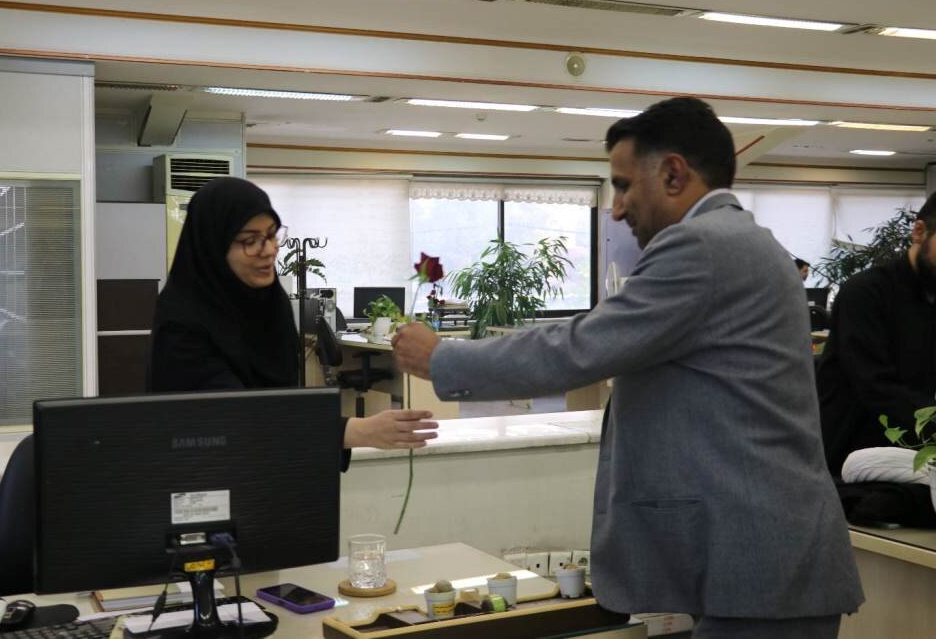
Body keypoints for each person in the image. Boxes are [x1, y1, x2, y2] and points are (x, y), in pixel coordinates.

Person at [393, 98, 862, 638]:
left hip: (758, 563)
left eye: (622, 186)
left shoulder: (703, 245)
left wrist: (443, 357)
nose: (615, 210)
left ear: (673, 174)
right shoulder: (742, 240)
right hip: (758, 559)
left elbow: (581, 347)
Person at [149, 177, 437, 460]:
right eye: (250, 241)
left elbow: (283, 402)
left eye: (272, 235)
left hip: (277, 470)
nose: (269, 250)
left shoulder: (269, 302)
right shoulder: (182, 320)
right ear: (213, 246)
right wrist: (354, 431)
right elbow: (228, 416)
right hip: (207, 472)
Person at [816, 193, 936, 476]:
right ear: (919, 232)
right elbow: (875, 387)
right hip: (853, 455)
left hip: (916, 448)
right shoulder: (865, 293)